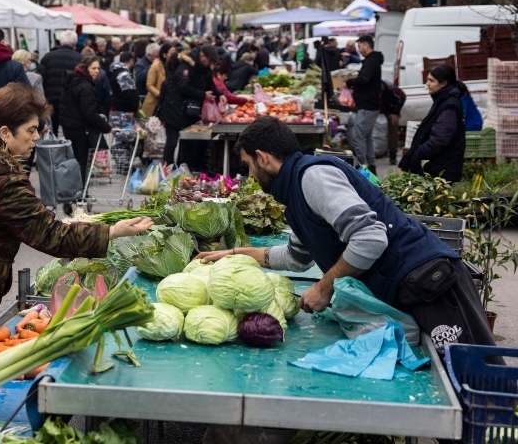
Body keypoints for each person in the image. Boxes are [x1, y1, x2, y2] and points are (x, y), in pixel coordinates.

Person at [198, 117, 494, 352]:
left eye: (248, 165)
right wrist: (235, 254)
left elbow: (370, 237)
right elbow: (296, 258)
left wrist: (325, 286)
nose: (250, 176)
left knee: (476, 381)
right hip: (408, 286)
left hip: (431, 283)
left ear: (263, 158)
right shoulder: (294, 191)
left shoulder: (313, 177)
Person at [0, 82, 153, 371]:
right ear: (5, 132)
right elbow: (52, 235)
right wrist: (113, 231)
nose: (36, 138)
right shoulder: (4, 182)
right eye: (30, 130)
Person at [156, 45, 224, 166]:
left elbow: (210, 85)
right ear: (202, 55)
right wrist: (203, 94)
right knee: (172, 142)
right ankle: (167, 170)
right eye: (210, 60)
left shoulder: (205, 69)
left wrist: (219, 95)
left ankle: (183, 171)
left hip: (190, 111)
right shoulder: (186, 66)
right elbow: (183, 87)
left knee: (187, 142)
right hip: (174, 108)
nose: (210, 64)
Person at [399, 64, 467, 183]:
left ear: (443, 83)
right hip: (437, 168)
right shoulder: (442, 100)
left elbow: (438, 140)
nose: (427, 84)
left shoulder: (449, 105)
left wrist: (418, 155)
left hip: (440, 171)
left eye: (431, 80)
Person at [60, 56, 114, 183]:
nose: (96, 71)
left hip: (70, 128)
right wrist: (107, 127)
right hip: (80, 129)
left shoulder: (73, 82)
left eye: (98, 68)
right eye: (93, 68)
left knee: (75, 161)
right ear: (86, 69)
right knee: (83, 162)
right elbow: (89, 113)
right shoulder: (85, 86)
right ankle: (81, 192)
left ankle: (74, 192)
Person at [345, 35, 383, 172]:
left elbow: (364, 79)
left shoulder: (371, 61)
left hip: (368, 105)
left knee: (358, 137)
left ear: (366, 46)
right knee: (367, 137)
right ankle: (371, 167)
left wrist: (351, 82)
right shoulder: (372, 60)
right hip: (371, 105)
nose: (359, 50)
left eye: (359, 46)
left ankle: (362, 167)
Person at [38, 30, 82, 134]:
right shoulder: (80, 58)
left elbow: (41, 78)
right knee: (72, 132)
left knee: (51, 130)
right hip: (71, 101)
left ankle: (52, 149)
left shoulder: (48, 57)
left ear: (60, 42)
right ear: (74, 43)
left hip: (50, 99)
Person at [141, 43, 171, 118]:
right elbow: (149, 85)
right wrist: (160, 94)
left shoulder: (173, 66)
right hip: (154, 103)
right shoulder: (155, 66)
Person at [381, 80, 406, 165]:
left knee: (392, 130)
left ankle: (393, 155)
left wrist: (395, 112)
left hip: (391, 110)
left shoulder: (390, 88)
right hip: (378, 109)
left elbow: (402, 96)